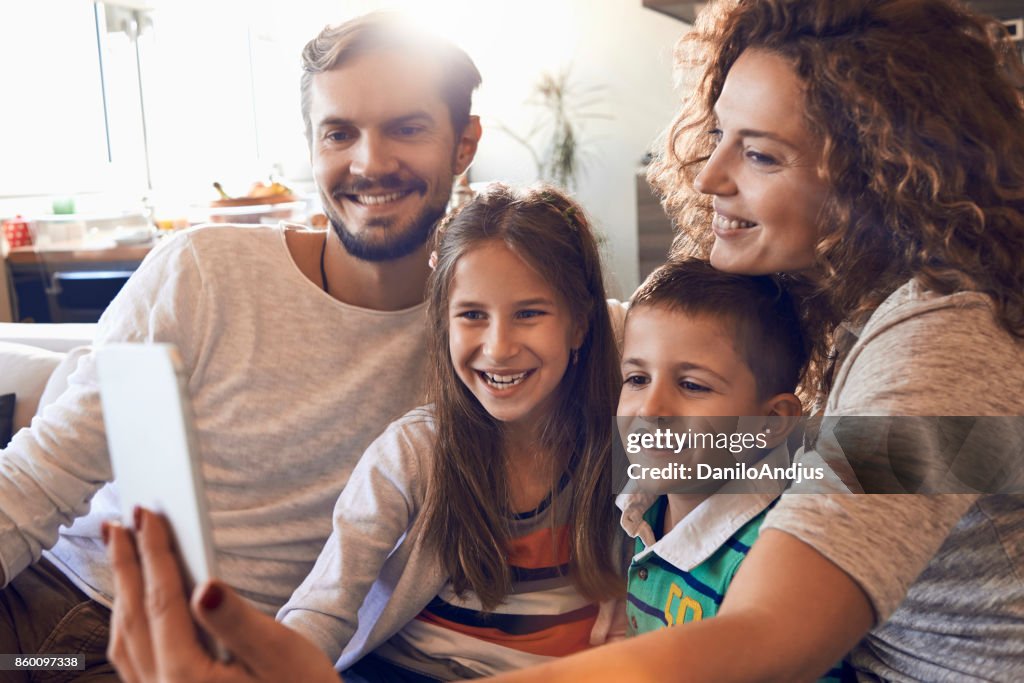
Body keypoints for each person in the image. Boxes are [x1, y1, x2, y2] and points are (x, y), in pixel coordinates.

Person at [105, 0, 1024, 680]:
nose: (707, 175)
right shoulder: (860, 322)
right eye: (721, 137)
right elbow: (776, 440)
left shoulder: (939, 347)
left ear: (879, 178)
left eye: (762, 153)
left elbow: (767, 637)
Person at [0, 11, 481, 678]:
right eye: (340, 132)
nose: (369, 162)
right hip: (53, 601)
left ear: (464, 144)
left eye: (407, 127)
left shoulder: (492, 332)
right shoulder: (205, 267)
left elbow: (654, 349)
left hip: (212, 657)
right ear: (312, 146)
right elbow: (36, 478)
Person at [275, 183, 623, 681]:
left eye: (529, 314)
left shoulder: (623, 435)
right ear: (444, 323)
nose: (498, 347)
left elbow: (768, 455)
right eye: (472, 316)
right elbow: (324, 605)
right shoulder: (413, 453)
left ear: (580, 327)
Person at [615, 257, 849, 681]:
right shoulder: (642, 511)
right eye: (636, 379)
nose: (650, 409)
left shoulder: (775, 561)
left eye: (692, 385)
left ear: (772, 422)